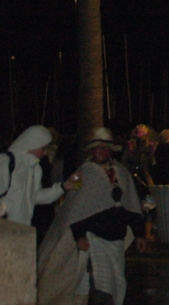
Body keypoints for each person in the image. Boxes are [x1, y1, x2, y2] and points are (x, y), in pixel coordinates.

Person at [37, 127, 146, 305]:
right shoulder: (81, 175)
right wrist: (79, 235)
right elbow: (75, 206)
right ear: (91, 151)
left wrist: (139, 233)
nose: (100, 152)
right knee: (98, 286)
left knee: (116, 282)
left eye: (104, 148)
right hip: (93, 238)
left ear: (111, 150)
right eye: (96, 148)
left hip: (116, 239)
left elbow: (131, 205)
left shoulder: (122, 173)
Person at [0, 124, 80, 226]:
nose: (46, 153)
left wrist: (62, 187)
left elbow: (36, 197)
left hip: (24, 229)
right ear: (32, 145)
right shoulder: (6, 161)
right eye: (43, 148)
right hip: (4, 229)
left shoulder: (35, 168)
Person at [120, 123, 157, 241]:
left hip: (141, 181)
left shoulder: (146, 148)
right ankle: (144, 234)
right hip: (140, 181)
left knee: (145, 207)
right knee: (145, 208)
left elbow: (124, 163)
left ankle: (144, 233)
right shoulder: (140, 148)